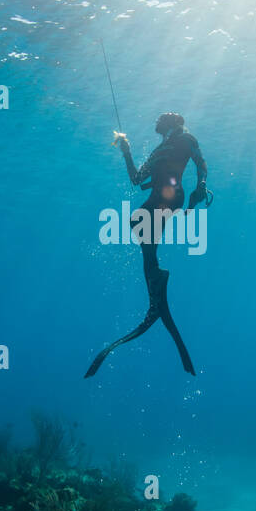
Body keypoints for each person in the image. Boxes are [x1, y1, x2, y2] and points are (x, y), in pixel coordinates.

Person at [84, 112, 210, 377]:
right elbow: (135, 179)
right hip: (157, 198)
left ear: (174, 123)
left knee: (139, 223)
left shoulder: (186, 138)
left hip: (171, 196)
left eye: (164, 117)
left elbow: (201, 163)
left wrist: (201, 185)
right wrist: (127, 152)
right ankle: (156, 285)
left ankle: (156, 292)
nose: (159, 119)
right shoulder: (157, 149)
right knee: (137, 225)